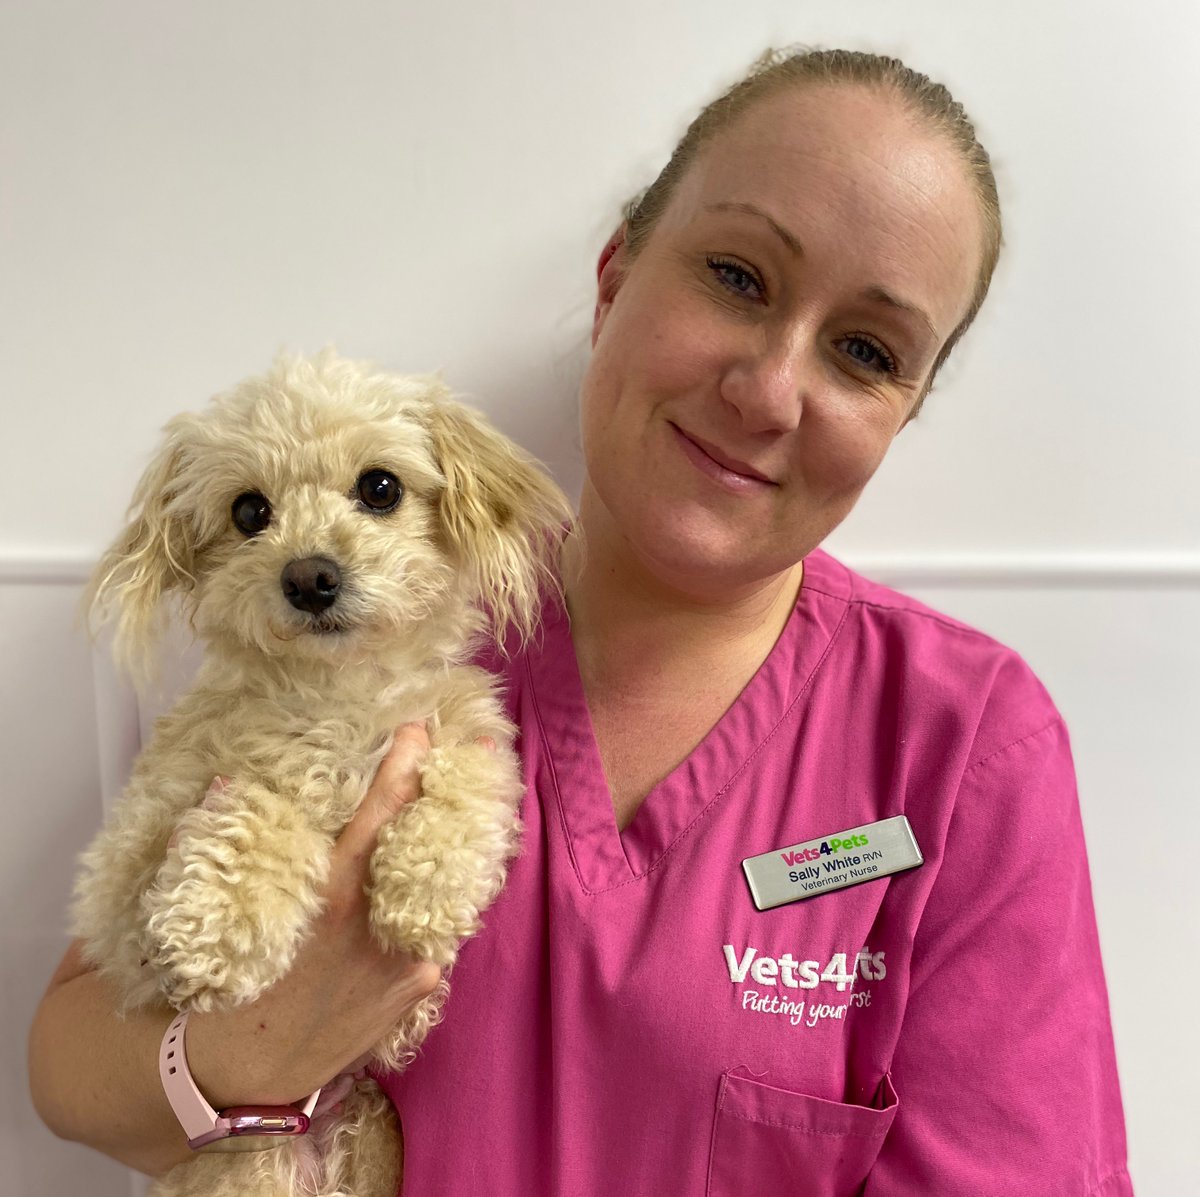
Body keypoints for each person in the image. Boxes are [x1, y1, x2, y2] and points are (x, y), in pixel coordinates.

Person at [29, 47, 1132, 1195]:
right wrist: (240, 1060)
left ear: (903, 413)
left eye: (866, 352)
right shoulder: (364, 641)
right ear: (616, 278)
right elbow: (69, 1069)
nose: (767, 391)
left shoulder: (963, 745)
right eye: (737, 276)